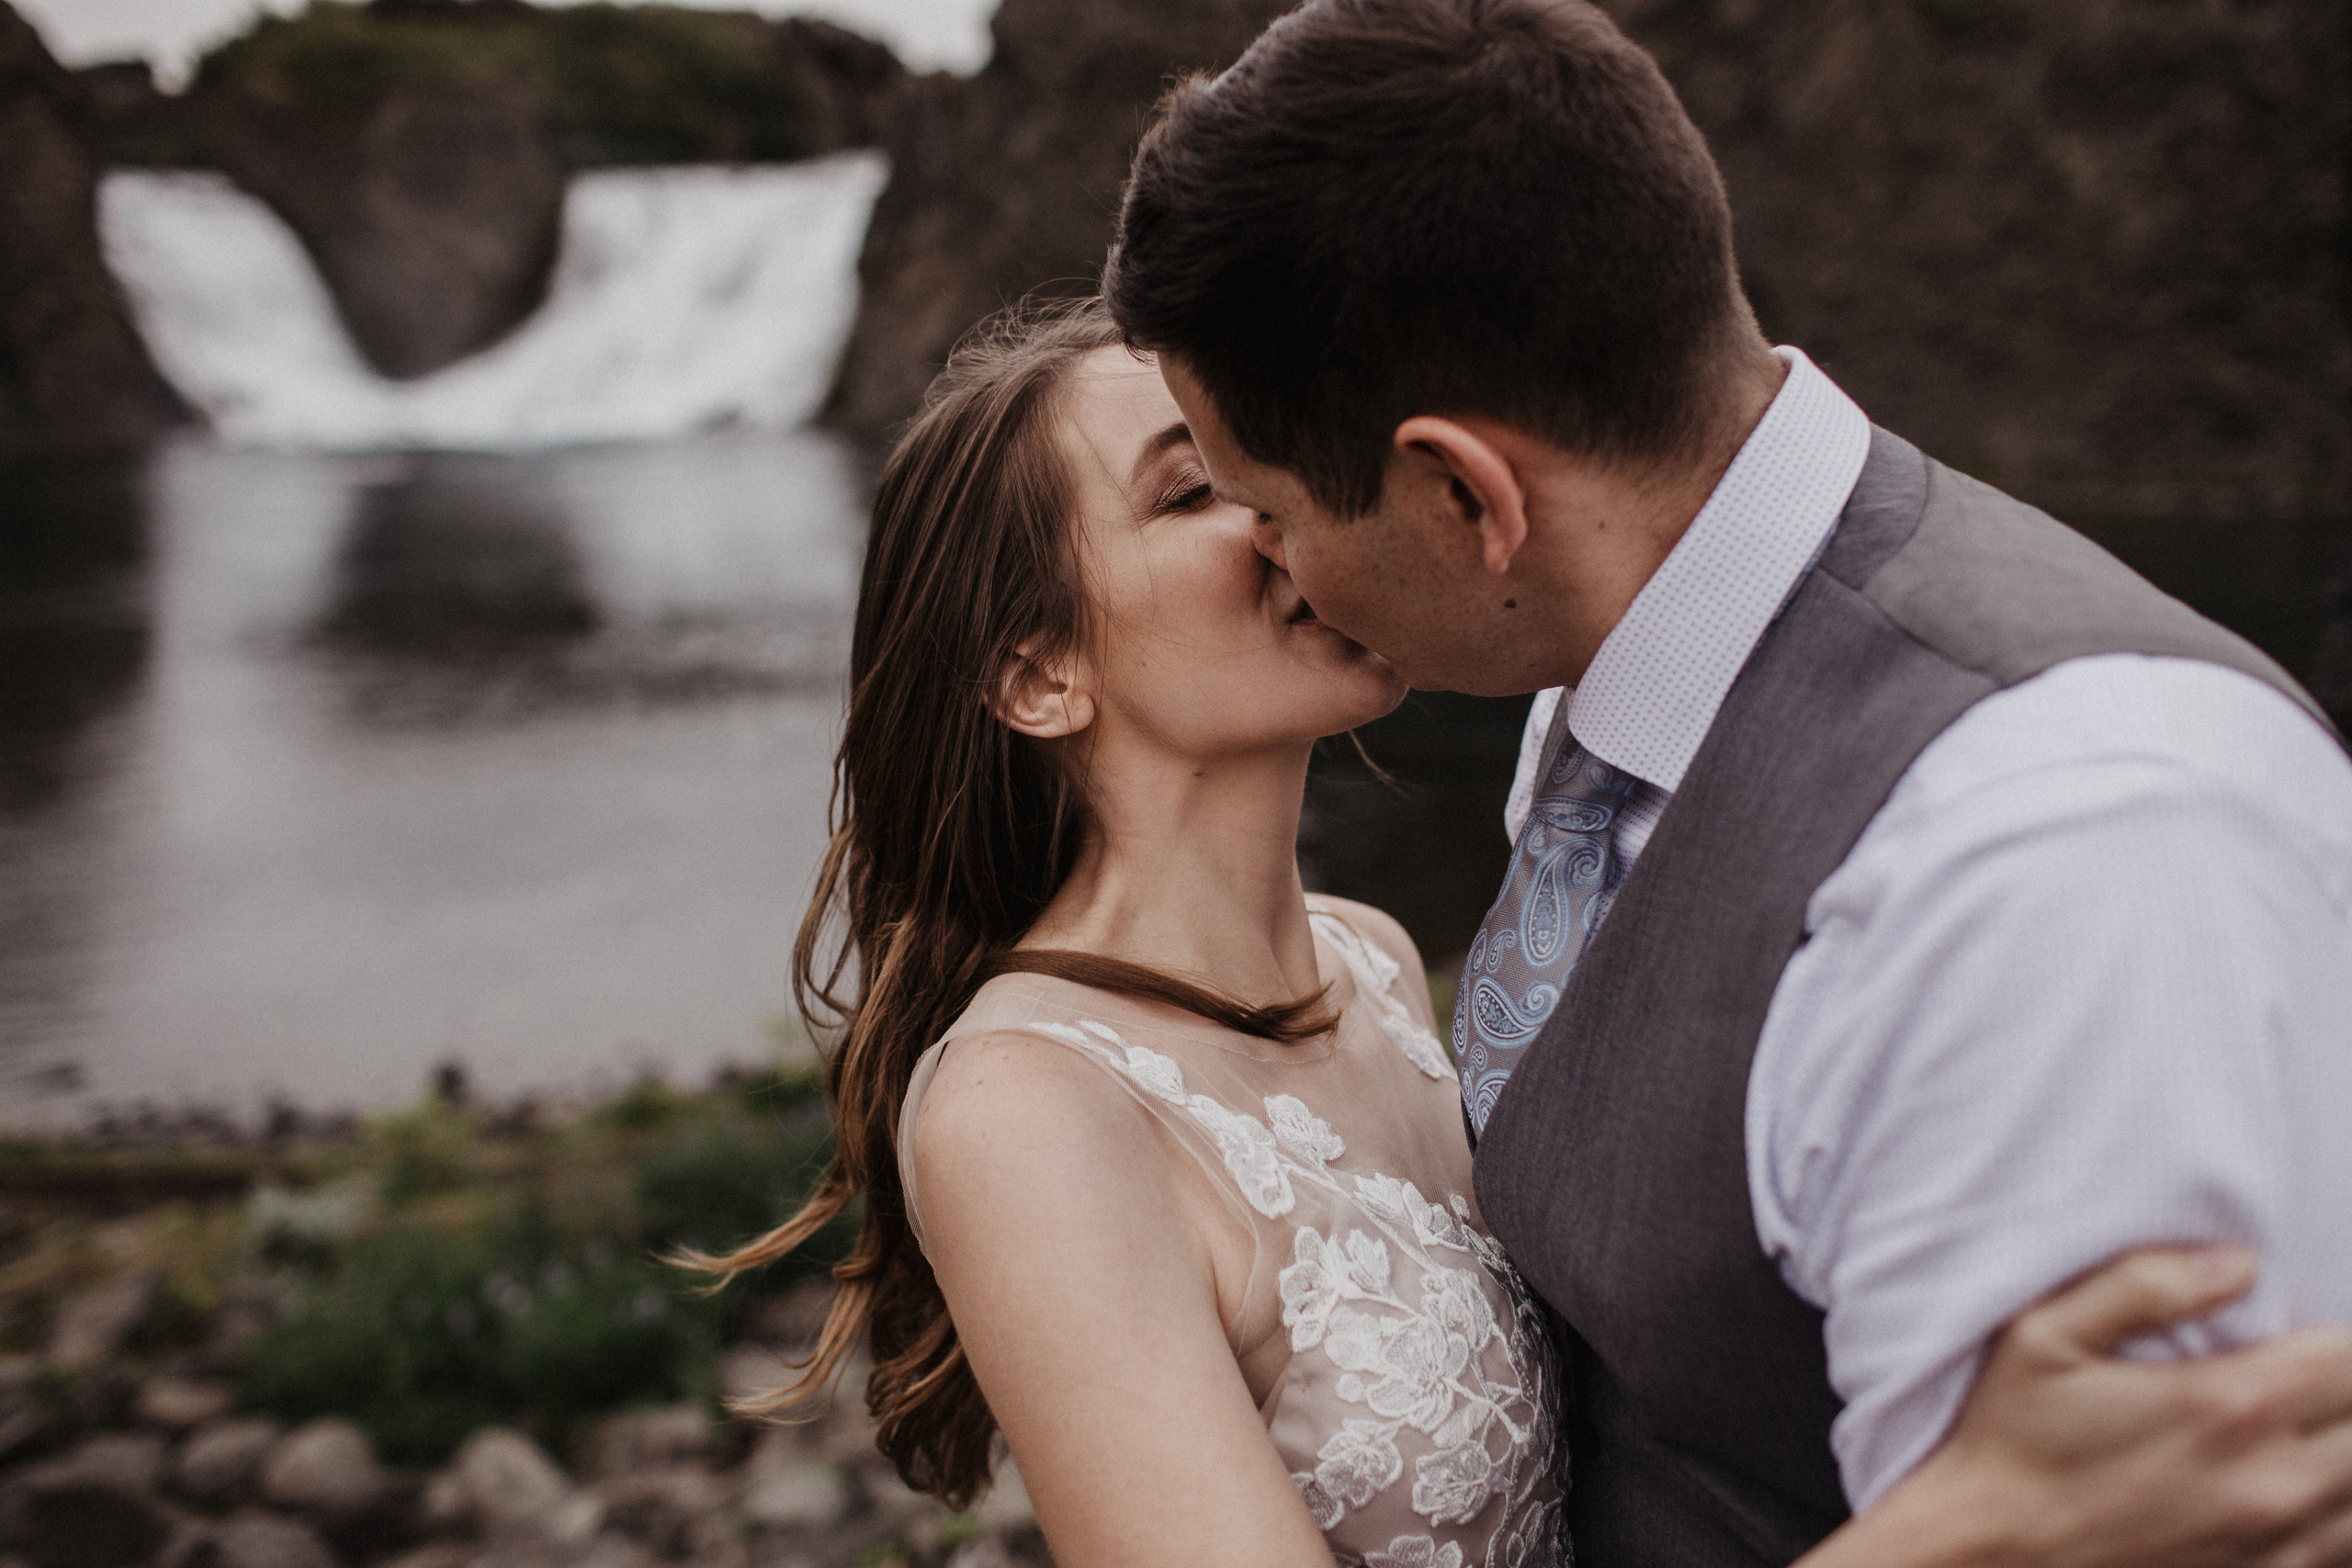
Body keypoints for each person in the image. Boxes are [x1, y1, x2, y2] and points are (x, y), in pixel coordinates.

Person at [687, 301, 2352, 1568]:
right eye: (1201, 487)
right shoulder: (1025, 1113)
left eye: (1271, 454)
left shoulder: (1372, 958)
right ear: (1041, 674)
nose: (1290, 513)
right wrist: (1962, 1529)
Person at [1097, 0, 2352, 1562]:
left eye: (1272, 510)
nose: (1274, 565)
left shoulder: (2055, 859)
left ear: (1464, 495)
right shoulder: (1618, 682)